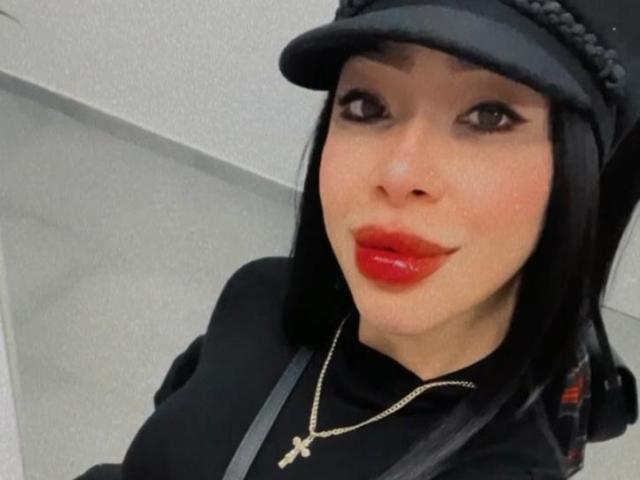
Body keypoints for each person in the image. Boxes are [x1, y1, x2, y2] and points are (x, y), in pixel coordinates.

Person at [76, 1, 640, 479]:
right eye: (366, 105)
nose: (399, 173)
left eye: (488, 116)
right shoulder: (257, 299)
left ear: (576, 175)